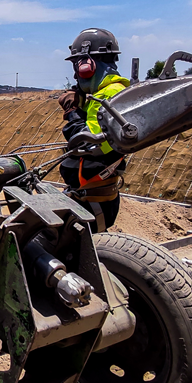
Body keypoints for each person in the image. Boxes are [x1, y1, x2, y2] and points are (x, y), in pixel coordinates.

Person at [58, 28, 130, 232]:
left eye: (76, 65)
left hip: (89, 201)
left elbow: (87, 143)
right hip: (93, 198)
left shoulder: (108, 96)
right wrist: (81, 106)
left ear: (86, 65)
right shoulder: (113, 92)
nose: (75, 74)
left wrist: (71, 112)